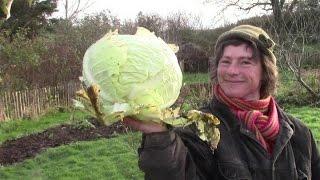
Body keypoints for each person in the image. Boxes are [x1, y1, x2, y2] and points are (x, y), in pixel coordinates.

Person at [123, 25, 320, 180]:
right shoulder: (199, 130)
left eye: (245, 62)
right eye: (225, 62)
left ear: (265, 72)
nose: (232, 71)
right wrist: (160, 139)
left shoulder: (299, 133)